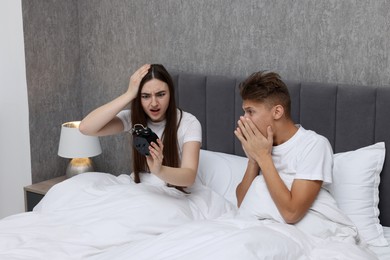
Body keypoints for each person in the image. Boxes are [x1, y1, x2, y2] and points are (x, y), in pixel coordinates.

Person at [79, 64, 202, 191]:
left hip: (175, 192)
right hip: (140, 189)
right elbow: (86, 128)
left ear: (170, 94)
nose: (154, 103)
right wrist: (129, 94)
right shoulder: (133, 119)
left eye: (161, 94)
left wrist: (159, 170)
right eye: (145, 96)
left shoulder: (189, 123)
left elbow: (189, 177)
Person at [234, 71, 333, 224]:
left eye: (250, 112)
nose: (244, 119)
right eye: (244, 112)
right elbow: (243, 204)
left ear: (277, 112)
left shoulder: (314, 145)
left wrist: (263, 157)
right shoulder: (262, 146)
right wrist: (253, 160)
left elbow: (292, 213)